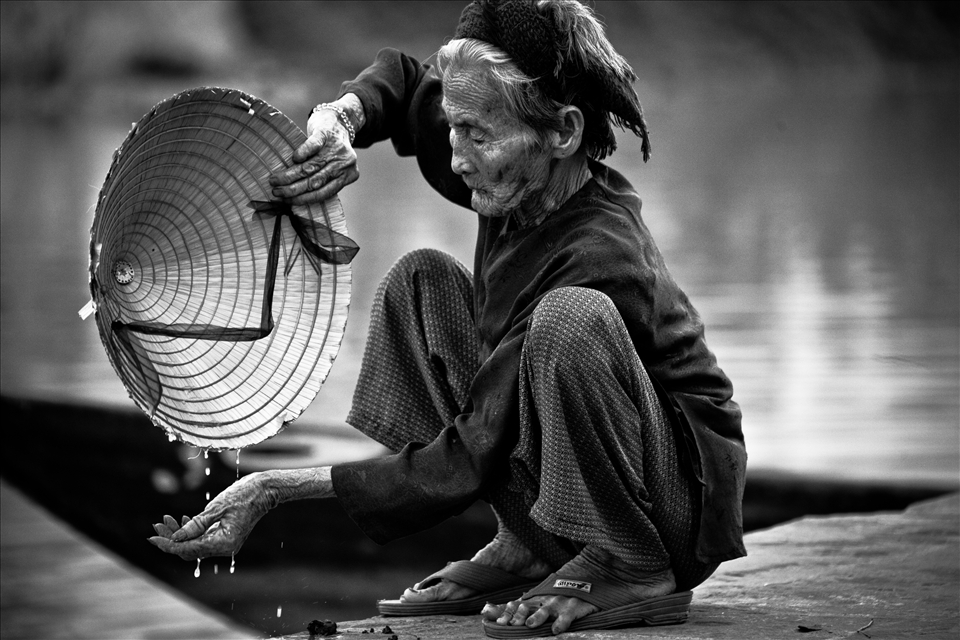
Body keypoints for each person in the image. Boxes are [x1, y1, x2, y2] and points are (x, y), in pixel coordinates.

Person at [149, 0, 747, 636]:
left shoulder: (602, 253)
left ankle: (629, 563)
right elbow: (405, 82)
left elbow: (476, 445)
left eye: (477, 136)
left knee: (568, 320)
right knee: (420, 282)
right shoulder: (508, 162)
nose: (457, 159)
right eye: (453, 128)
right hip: (577, 461)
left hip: (670, 508)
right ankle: (529, 539)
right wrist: (338, 122)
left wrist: (273, 488)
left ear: (564, 132)